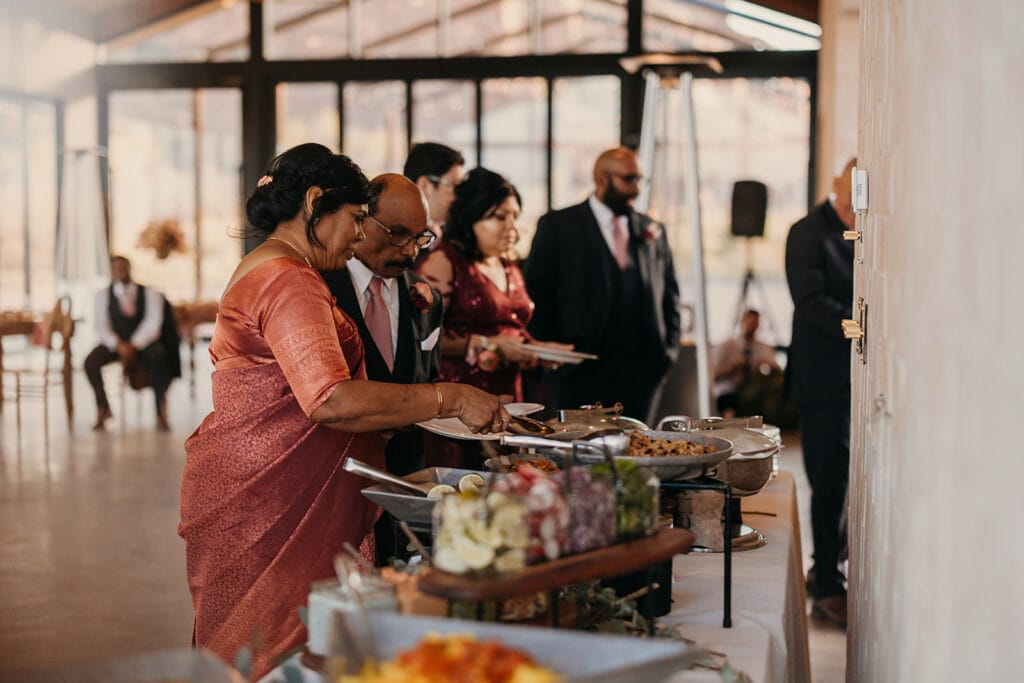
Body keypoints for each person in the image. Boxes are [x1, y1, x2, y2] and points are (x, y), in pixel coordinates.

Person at [178, 143, 508, 679]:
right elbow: (330, 397)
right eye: (356, 219)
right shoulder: (288, 279)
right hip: (274, 499)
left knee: (280, 644)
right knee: (279, 647)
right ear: (315, 203)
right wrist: (450, 396)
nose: (360, 236)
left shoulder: (276, 268)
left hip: (277, 488)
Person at [320, 173, 443, 564]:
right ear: (361, 221)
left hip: (404, 480)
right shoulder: (318, 288)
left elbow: (428, 380)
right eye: (396, 234)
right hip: (333, 481)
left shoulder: (426, 297)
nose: (409, 252)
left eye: (420, 238)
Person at [524, 147, 681, 424]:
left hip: (642, 374)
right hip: (577, 374)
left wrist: (666, 354)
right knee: (580, 456)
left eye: (640, 180)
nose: (636, 189)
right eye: (629, 179)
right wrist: (555, 359)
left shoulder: (652, 230)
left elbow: (670, 296)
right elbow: (537, 294)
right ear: (602, 178)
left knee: (638, 455)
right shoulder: (558, 226)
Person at [416, 167, 560, 468]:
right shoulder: (444, 262)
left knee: (509, 478)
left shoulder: (507, 265)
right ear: (472, 218)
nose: (512, 228)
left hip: (512, 394)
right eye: (499, 216)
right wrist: (485, 343)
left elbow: (512, 327)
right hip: (461, 394)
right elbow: (421, 336)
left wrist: (538, 349)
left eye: (515, 217)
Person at [784, 157, 856, 628]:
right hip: (822, 380)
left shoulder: (868, 231)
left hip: (855, 380)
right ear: (835, 182)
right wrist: (861, 324)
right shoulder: (807, 232)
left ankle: (828, 570)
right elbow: (810, 304)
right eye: (849, 193)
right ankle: (826, 581)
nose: (854, 206)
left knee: (848, 486)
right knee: (827, 483)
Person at [84, 255, 180, 431]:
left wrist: (134, 344)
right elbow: (101, 326)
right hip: (116, 344)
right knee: (90, 361)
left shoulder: (150, 293)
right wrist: (118, 344)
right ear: (111, 271)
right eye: (116, 268)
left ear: (129, 269)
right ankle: (103, 409)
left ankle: (160, 409)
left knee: (158, 356)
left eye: (123, 267)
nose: (120, 271)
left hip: (143, 344)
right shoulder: (102, 295)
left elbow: (153, 323)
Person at [712, 308, 781, 417]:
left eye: (754, 324)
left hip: (752, 392)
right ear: (742, 322)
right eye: (749, 323)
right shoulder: (727, 346)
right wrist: (731, 368)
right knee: (730, 402)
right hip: (729, 391)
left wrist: (765, 366)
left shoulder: (763, 348)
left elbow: (777, 369)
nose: (751, 327)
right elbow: (712, 376)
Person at [402, 141, 465, 247]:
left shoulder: (443, 231)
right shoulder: (401, 240)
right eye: (454, 185)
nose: (460, 195)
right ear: (425, 185)